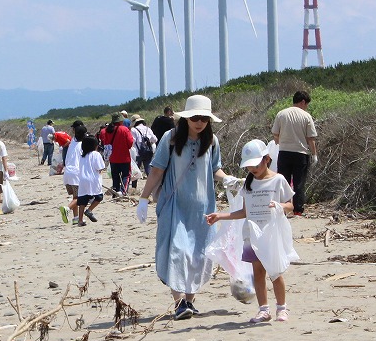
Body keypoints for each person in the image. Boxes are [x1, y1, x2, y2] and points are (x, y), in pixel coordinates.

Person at [136, 94, 239, 320]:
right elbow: (157, 170)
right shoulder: (170, 139)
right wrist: (143, 198)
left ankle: (190, 301)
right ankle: (179, 302)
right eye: (195, 118)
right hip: (175, 205)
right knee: (177, 251)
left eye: (204, 118)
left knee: (199, 254)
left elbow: (215, 169)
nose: (199, 122)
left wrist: (226, 179)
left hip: (203, 207)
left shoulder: (211, 141)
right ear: (186, 118)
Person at [206, 140, 295, 323]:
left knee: (275, 272)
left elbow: (291, 205)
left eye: (256, 164)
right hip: (252, 233)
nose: (253, 169)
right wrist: (221, 216)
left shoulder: (278, 179)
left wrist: (279, 206)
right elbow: (244, 212)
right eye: (249, 166)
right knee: (258, 272)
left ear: (267, 159)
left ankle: (282, 308)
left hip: (271, 232)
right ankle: (263, 310)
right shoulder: (249, 184)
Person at [271, 90, 318, 216]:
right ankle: (298, 210)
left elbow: (275, 134)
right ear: (303, 102)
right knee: (299, 183)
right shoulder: (306, 116)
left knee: (283, 182)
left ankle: (283, 209)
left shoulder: (281, 114)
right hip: (300, 154)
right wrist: (314, 155)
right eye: (306, 104)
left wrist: (282, 143)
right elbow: (311, 138)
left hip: (284, 153)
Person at [72, 135, 105, 226]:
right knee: (99, 197)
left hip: (82, 179)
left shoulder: (82, 156)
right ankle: (89, 210)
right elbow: (100, 167)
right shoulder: (96, 154)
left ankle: (80, 220)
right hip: (93, 179)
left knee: (82, 200)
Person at [60, 124, 87, 224]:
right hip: (76, 173)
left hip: (67, 172)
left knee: (75, 197)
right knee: (80, 197)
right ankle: (67, 209)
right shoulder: (82, 145)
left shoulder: (72, 142)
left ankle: (76, 217)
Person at [102, 112, 135, 195]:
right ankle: (123, 192)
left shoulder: (107, 130)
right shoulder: (124, 129)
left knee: (115, 176)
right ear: (120, 121)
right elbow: (130, 143)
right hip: (124, 157)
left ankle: (116, 191)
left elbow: (106, 143)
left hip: (113, 158)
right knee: (126, 175)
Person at [130, 114, 156, 182]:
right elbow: (155, 139)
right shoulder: (148, 129)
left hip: (138, 153)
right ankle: (152, 187)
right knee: (148, 169)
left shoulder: (133, 130)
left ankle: (134, 188)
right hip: (148, 152)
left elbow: (132, 141)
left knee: (135, 171)